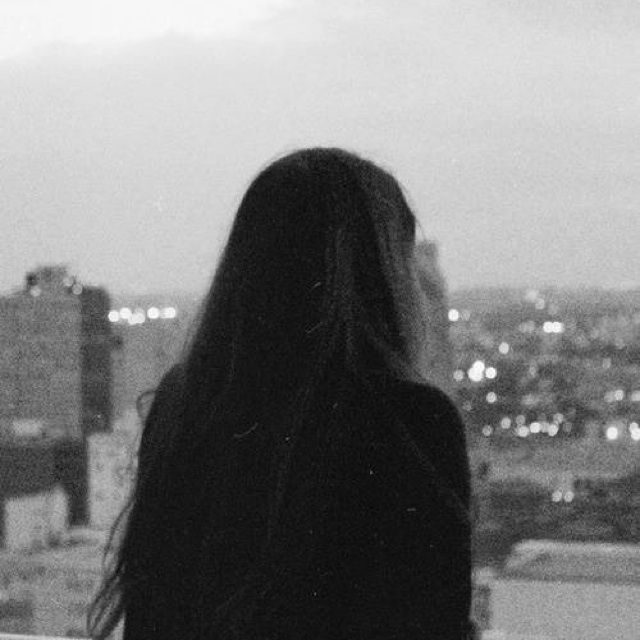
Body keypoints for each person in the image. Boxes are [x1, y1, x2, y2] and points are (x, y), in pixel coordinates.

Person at [88, 147, 475, 639]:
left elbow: (152, 615)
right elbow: (435, 621)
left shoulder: (184, 403)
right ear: (382, 279)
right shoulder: (413, 420)